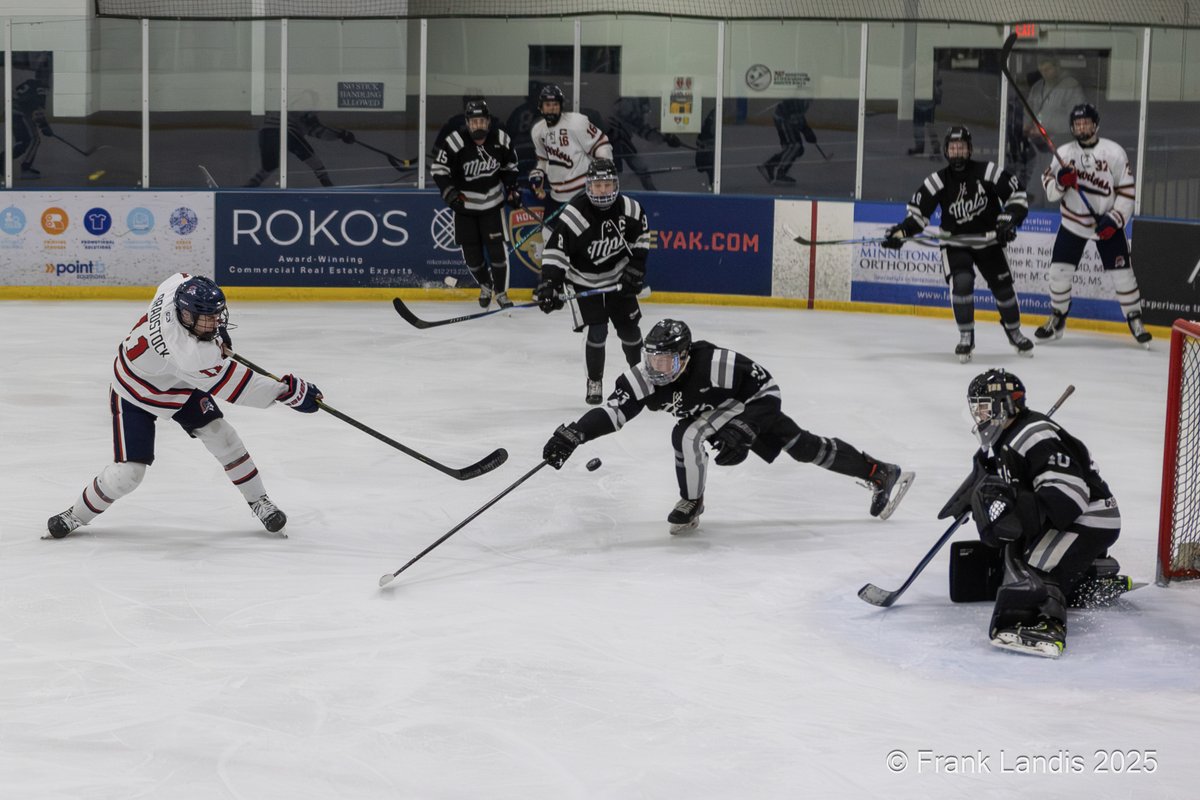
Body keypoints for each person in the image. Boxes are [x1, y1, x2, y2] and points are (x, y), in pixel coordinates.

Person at [541, 319, 915, 534]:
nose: (658, 369)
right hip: (712, 416)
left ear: (685, 357)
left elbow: (767, 388)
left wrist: (745, 430)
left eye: (667, 361)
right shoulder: (645, 377)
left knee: (804, 448)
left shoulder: (715, 362)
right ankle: (692, 501)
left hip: (748, 405)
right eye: (653, 359)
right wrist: (575, 433)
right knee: (685, 434)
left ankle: (880, 471)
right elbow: (613, 412)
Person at [46, 273, 323, 539]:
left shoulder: (174, 288)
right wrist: (287, 392)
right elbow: (241, 388)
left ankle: (259, 501)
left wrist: (215, 335)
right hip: (133, 392)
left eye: (217, 315)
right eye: (208, 318)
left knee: (222, 435)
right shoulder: (190, 355)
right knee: (128, 474)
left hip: (175, 382)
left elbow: (185, 276)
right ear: (187, 316)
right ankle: (75, 515)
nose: (216, 322)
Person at [961, 369, 1121, 658]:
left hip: (1089, 518)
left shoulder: (1034, 436)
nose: (979, 414)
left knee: (1033, 568)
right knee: (1016, 554)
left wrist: (1019, 509)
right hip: (1074, 517)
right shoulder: (1008, 436)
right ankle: (1091, 575)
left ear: (1004, 406)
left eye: (984, 406)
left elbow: (1070, 496)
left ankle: (1046, 623)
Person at [882, 126, 1035, 361]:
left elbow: (1017, 197)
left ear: (969, 149)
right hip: (955, 243)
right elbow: (917, 216)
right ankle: (966, 336)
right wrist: (901, 233)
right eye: (953, 148)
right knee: (962, 283)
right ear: (946, 151)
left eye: (961, 148)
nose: (957, 152)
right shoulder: (937, 181)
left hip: (989, 241)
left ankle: (1014, 331)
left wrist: (1009, 219)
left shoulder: (989, 171)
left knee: (1004, 289)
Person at [1036, 103, 1150, 346]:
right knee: (1058, 274)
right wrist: (1060, 181)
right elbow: (1050, 192)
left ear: (1095, 124)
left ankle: (1134, 318)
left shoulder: (1114, 152)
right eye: (1078, 124)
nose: (1082, 127)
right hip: (1073, 224)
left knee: (1123, 275)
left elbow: (1127, 192)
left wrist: (1115, 219)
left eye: (1086, 122)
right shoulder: (1064, 154)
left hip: (1106, 225)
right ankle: (1058, 317)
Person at [534, 158, 647, 405]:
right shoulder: (575, 214)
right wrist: (550, 284)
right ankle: (595, 380)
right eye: (598, 185)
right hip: (584, 281)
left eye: (607, 185)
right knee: (597, 331)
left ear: (615, 185)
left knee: (630, 330)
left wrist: (636, 269)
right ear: (589, 186)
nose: (603, 191)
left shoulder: (631, 209)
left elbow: (641, 239)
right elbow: (556, 252)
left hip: (617, 279)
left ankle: (643, 377)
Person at [431, 99, 522, 309]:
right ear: (467, 123)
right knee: (472, 258)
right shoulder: (455, 141)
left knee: (498, 254)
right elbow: (438, 170)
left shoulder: (501, 139)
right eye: (474, 122)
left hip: (493, 206)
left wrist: (511, 189)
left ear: (488, 122)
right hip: (465, 207)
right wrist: (450, 193)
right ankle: (485, 285)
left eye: (481, 121)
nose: (478, 125)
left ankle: (501, 293)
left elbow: (511, 167)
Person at [528, 83, 613, 241]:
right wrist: (537, 174)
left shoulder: (576, 123)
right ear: (541, 107)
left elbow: (601, 145)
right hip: (555, 196)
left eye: (555, 104)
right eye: (548, 105)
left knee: (584, 240)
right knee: (548, 238)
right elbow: (543, 160)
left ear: (561, 106)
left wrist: (603, 167)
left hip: (582, 194)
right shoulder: (538, 131)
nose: (552, 108)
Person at [245, 107, 355, 188]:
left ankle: (251, 185)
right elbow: (317, 130)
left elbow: (317, 131)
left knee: (270, 165)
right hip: (287, 130)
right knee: (313, 159)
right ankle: (326, 184)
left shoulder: (293, 103)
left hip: (266, 131)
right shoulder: (299, 106)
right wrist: (341, 134)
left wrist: (341, 134)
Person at [606, 96, 683, 191]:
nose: (643, 116)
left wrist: (666, 138)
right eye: (642, 112)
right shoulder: (616, 133)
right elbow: (637, 164)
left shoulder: (621, 125)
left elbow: (642, 129)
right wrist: (652, 190)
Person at [1024, 55, 1087, 151]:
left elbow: (1077, 118)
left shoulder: (1070, 86)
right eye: (1042, 70)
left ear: (1057, 67)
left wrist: (1047, 128)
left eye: (1048, 69)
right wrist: (1027, 126)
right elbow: (1029, 110)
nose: (1044, 73)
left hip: (1062, 142)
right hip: (1038, 143)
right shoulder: (1037, 87)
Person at [757, 99, 820, 186]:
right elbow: (793, 114)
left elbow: (798, 115)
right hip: (783, 120)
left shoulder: (805, 100)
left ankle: (769, 165)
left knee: (797, 150)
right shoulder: (799, 97)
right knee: (795, 146)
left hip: (786, 119)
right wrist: (805, 129)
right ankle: (780, 173)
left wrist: (806, 129)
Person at [1, 77, 53, 179]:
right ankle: (26, 168)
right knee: (35, 139)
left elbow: (23, 100)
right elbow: (36, 109)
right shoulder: (41, 88)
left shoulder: (30, 82)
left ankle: (2, 159)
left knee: (23, 142)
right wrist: (44, 126)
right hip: (20, 113)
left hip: (11, 112)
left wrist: (43, 126)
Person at [906, 76, 943, 159]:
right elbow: (938, 85)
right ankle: (934, 147)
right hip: (927, 102)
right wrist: (937, 100)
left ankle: (921, 147)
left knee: (919, 125)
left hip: (920, 102)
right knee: (927, 125)